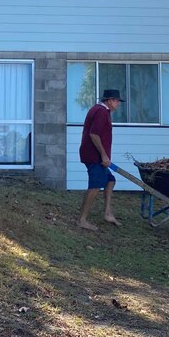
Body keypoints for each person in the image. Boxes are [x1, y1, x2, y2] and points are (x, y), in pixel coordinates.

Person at [77, 89, 124, 231]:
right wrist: (104, 156)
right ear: (109, 100)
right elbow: (94, 135)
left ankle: (108, 213)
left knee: (110, 180)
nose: (118, 104)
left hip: (95, 155)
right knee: (95, 185)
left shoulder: (100, 110)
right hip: (94, 156)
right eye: (117, 101)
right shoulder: (101, 112)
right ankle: (82, 220)